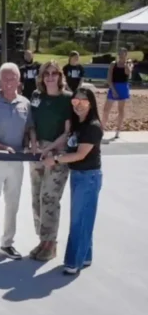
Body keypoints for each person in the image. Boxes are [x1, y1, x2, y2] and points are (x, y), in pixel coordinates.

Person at [42, 87, 103, 275]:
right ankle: (85, 256)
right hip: (78, 176)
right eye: (75, 101)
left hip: (88, 177)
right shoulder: (78, 125)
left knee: (79, 220)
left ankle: (73, 262)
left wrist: (56, 159)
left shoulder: (93, 126)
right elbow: (68, 145)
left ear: (90, 103)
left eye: (83, 101)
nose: (78, 105)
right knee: (83, 217)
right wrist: (51, 151)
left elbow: (80, 154)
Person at [0, 63, 37, 261]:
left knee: (12, 203)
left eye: (13, 78)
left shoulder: (25, 103)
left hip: (16, 161)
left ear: (19, 81)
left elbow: (29, 128)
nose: (9, 82)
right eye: (5, 78)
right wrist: (0, 147)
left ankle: (7, 244)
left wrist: (33, 142)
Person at [29, 61, 72, 262]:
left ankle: (51, 243)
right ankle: (42, 240)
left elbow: (67, 132)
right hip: (37, 151)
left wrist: (48, 150)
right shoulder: (37, 97)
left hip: (57, 153)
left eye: (54, 73)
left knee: (50, 198)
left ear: (60, 76)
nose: (50, 76)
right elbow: (32, 124)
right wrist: (35, 143)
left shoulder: (66, 99)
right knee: (37, 197)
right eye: (46, 73)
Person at [102, 47, 131, 139]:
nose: (121, 56)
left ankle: (118, 130)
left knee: (121, 110)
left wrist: (126, 63)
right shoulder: (113, 64)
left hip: (123, 87)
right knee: (106, 110)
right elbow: (109, 78)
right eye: (120, 54)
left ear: (126, 55)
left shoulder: (129, 64)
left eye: (123, 54)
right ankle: (102, 129)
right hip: (113, 86)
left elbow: (128, 74)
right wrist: (113, 90)